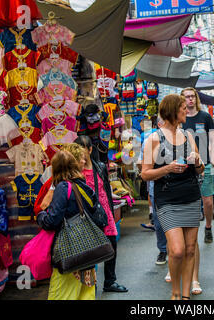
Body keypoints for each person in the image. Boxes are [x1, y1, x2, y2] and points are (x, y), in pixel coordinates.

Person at [141, 94, 205, 300]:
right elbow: (145, 173)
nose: (187, 110)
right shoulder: (154, 139)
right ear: (172, 111)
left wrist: (197, 162)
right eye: (183, 108)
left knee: (189, 250)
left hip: (191, 196)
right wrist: (168, 168)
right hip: (167, 199)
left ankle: (184, 297)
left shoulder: (187, 135)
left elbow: (200, 169)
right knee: (177, 250)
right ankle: (175, 292)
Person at [37, 150, 99, 300]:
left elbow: (52, 221)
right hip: (87, 250)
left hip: (69, 252)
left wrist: (41, 215)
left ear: (55, 168)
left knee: (61, 294)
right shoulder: (83, 185)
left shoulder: (63, 187)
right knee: (85, 294)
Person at [74, 136, 128, 293]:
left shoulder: (100, 167)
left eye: (84, 148)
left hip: (104, 212)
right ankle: (90, 283)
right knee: (90, 250)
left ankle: (110, 281)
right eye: (78, 149)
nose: (81, 153)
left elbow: (106, 191)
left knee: (111, 246)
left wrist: (110, 211)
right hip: (87, 215)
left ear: (90, 150)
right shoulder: (76, 171)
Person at [180, 87, 214, 243]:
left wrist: (212, 161)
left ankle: (208, 227)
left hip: (205, 164)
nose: (190, 99)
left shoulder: (205, 117)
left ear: (196, 98)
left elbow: (213, 139)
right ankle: (188, 231)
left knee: (207, 201)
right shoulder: (180, 118)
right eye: (187, 97)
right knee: (188, 200)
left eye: (192, 96)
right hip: (185, 165)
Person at [138, 116, 168, 265]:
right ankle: (163, 249)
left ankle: (176, 250)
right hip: (156, 187)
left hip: (177, 188)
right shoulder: (150, 141)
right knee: (158, 220)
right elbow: (141, 165)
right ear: (158, 124)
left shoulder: (181, 137)